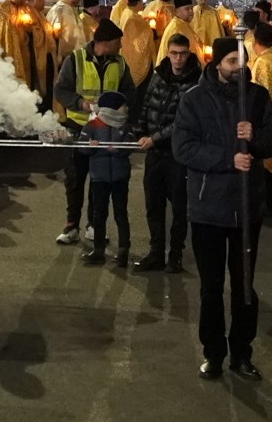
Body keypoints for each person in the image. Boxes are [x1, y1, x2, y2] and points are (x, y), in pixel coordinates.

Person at [172, 36, 272, 380]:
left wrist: (255, 138)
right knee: (211, 286)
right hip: (208, 208)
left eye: (242, 61)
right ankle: (214, 352)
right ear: (217, 63)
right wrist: (226, 159)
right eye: (232, 62)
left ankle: (242, 352)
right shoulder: (194, 100)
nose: (239, 68)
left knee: (244, 285)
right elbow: (183, 147)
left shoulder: (258, 96)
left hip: (247, 208)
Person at [52, 19, 130, 245]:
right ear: (104, 43)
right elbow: (61, 90)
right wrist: (80, 104)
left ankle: (94, 226)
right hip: (78, 127)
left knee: (99, 181)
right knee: (75, 178)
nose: (121, 46)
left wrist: (122, 115)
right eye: (118, 42)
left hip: (106, 132)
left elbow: (129, 93)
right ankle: (71, 226)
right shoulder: (75, 60)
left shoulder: (121, 63)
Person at [132, 34, 200, 272]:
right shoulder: (159, 75)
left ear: (188, 54)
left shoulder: (194, 82)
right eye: (174, 53)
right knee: (154, 203)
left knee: (179, 206)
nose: (178, 59)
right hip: (155, 153)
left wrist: (155, 138)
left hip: (177, 154)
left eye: (182, 54)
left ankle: (176, 254)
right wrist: (139, 130)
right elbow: (147, 104)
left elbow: (184, 121)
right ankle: (156, 252)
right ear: (168, 53)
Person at [81, 90, 137, 265]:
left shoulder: (126, 126)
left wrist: (119, 150)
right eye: (122, 106)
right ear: (113, 108)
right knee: (99, 214)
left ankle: (123, 251)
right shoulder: (92, 125)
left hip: (120, 177)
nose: (126, 109)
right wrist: (91, 147)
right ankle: (98, 250)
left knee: (121, 213)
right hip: (99, 177)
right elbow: (81, 147)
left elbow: (130, 146)